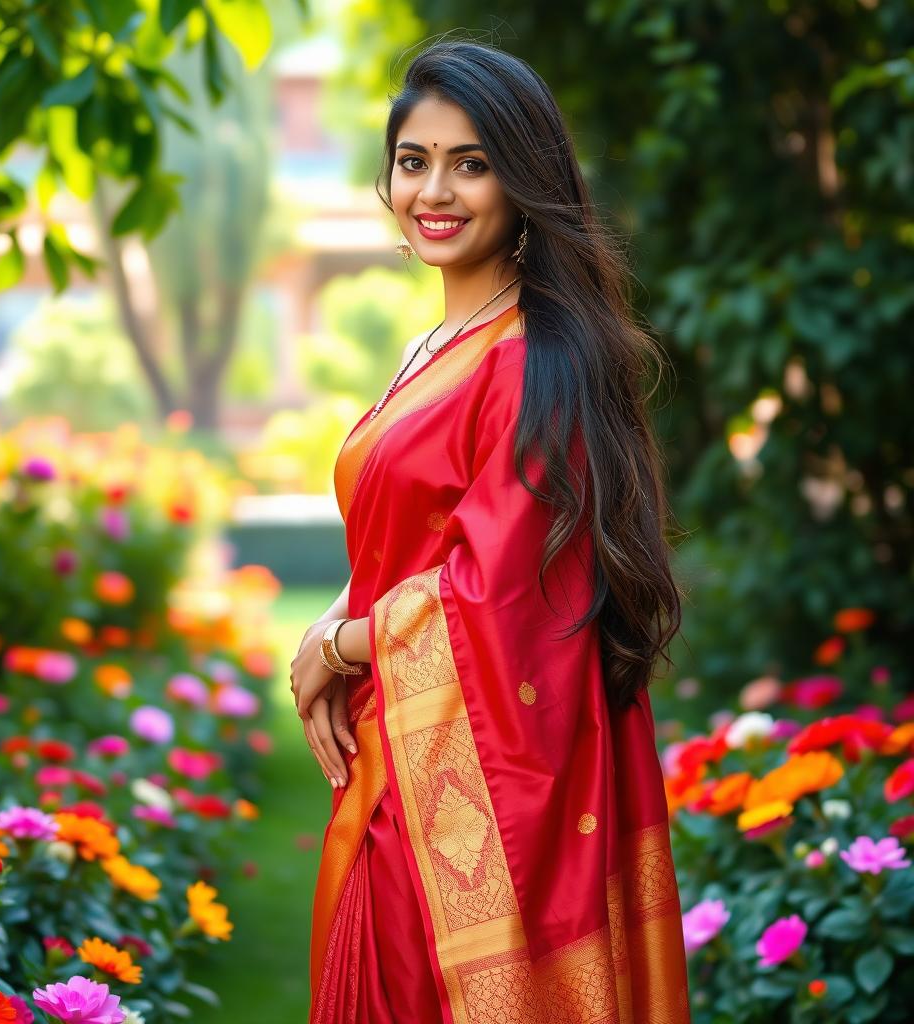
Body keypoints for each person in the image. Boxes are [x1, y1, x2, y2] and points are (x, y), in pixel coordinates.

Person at [290, 38, 692, 1023]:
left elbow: (499, 597)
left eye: (471, 163)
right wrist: (343, 620)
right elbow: (418, 534)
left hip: (451, 810)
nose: (436, 188)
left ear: (524, 181)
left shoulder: (525, 364)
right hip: (397, 772)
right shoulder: (446, 344)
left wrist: (337, 644)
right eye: (413, 159)